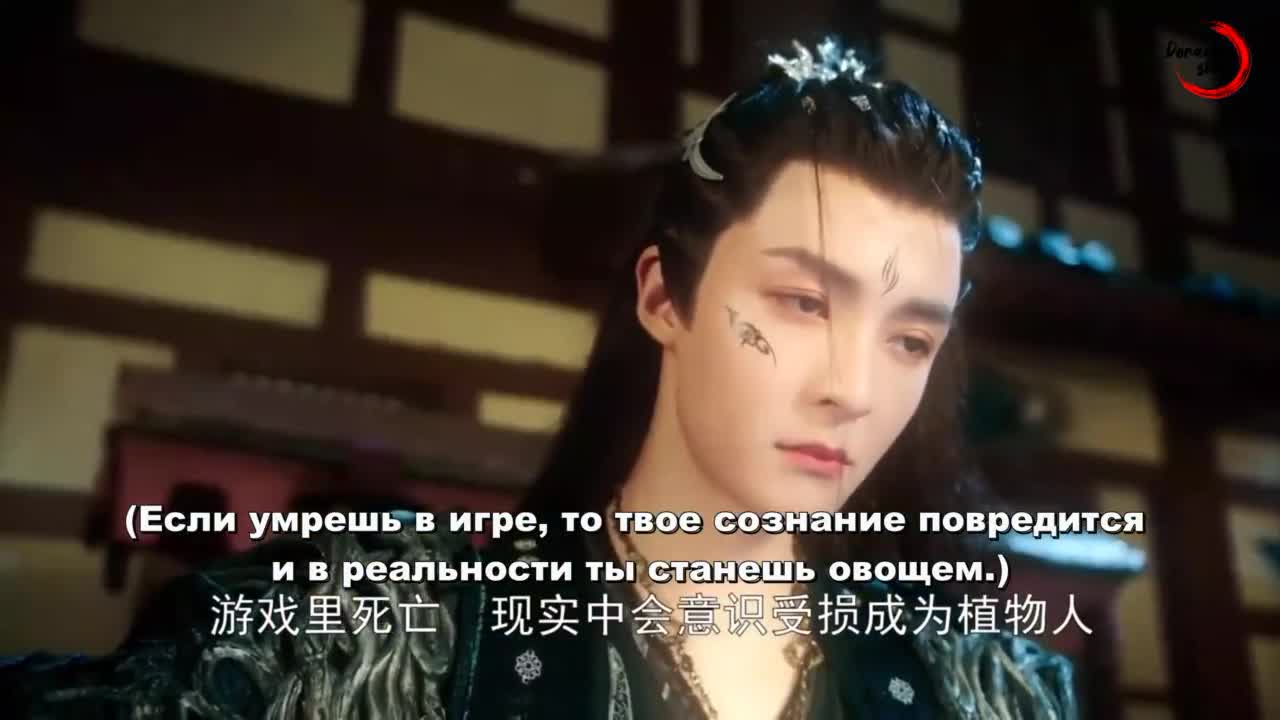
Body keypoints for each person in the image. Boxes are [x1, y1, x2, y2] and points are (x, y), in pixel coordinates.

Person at [1, 37, 1077, 719]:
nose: (855, 388)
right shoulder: (379, 637)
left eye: (908, 340)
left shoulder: (990, 687)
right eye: (802, 302)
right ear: (663, 298)